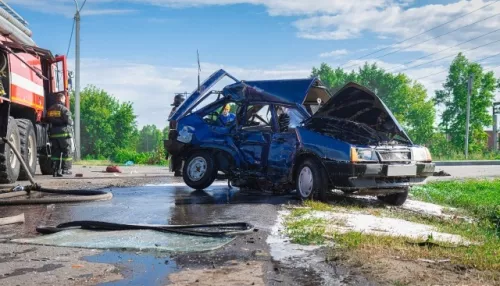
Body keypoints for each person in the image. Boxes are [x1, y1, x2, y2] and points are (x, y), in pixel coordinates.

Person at [45, 92, 73, 177]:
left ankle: (55, 170)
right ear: (62, 99)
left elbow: (47, 119)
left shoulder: (50, 109)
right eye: (64, 99)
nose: (65, 101)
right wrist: (71, 122)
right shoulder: (64, 109)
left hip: (53, 134)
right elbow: (69, 121)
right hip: (63, 134)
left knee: (55, 153)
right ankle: (65, 169)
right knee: (66, 151)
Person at [169, 93, 185, 177]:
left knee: (176, 153)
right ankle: (178, 170)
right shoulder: (180, 111)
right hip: (178, 134)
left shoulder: (174, 110)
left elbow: (170, 121)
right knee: (180, 152)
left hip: (174, 133)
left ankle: (177, 170)